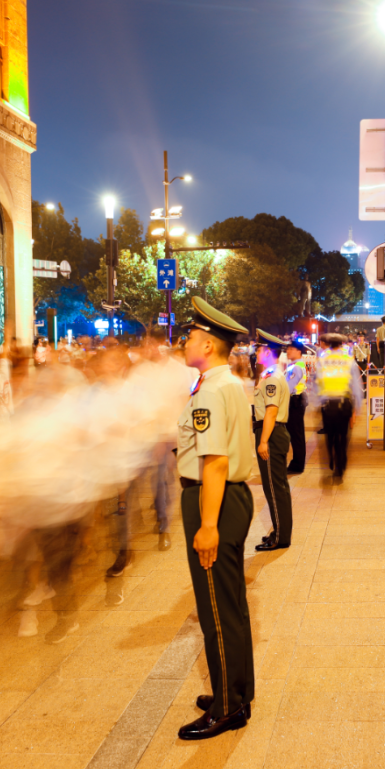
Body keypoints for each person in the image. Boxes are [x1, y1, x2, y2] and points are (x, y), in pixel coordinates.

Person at [176, 297, 255, 740]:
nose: (185, 341)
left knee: (216, 609)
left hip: (213, 499)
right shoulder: (227, 384)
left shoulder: (209, 389)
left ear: (207, 344)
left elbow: (215, 461)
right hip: (230, 498)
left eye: (190, 336)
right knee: (232, 602)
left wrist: (207, 525)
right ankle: (237, 688)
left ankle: (227, 706)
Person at [253, 330, 293, 551]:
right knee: (276, 487)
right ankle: (279, 531)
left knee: (274, 488)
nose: (257, 352)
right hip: (273, 432)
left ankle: (280, 537)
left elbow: (271, 411)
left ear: (268, 351)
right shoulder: (271, 375)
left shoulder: (273, 378)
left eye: (260, 349)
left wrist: (263, 441)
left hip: (271, 433)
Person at [316, 333, 363, 480]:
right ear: (342, 344)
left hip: (328, 405)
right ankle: (340, 465)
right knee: (343, 437)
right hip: (344, 404)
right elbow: (356, 385)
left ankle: (332, 458)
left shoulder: (323, 360)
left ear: (329, 344)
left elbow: (317, 382)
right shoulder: (348, 360)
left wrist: (315, 405)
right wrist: (358, 407)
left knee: (330, 436)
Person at [284, 339, 309, 473]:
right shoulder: (293, 365)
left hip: (295, 402)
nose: (288, 351)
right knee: (296, 433)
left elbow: (288, 387)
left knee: (296, 434)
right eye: (287, 349)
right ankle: (297, 463)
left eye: (291, 349)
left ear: (299, 351)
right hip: (296, 401)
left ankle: (298, 465)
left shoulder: (297, 366)